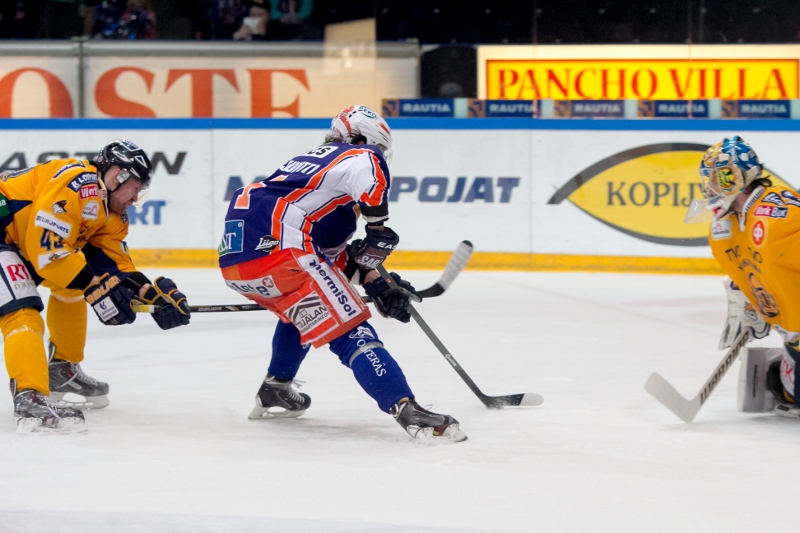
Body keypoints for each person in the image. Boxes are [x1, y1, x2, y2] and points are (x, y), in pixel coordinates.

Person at [218, 105, 466, 443]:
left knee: (303, 311)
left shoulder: (314, 177)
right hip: (281, 246)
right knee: (350, 327)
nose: (380, 156)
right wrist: (378, 228)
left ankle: (275, 387)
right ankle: (407, 408)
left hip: (238, 261)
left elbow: (334, 263)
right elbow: (371, 173)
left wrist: (381, 281)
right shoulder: (359, 153)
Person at [1, 139, 191, 433]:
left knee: (71, 287)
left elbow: (113, 264)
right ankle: (30, 396)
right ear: (118, 175)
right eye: (137, 186)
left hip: (18, 241)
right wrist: (94, 285)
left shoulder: (110, 212)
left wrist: (151, 296)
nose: (137, 196)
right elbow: (47, 252)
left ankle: (60, 371)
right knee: (23, 311)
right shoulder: (77, 182)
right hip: (8, 237)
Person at [694, 135, 800, 417]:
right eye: (709, 181)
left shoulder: (780, 214)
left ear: (738, 178)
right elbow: (754, 270)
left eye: (719, 179)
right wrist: (749, 300)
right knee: (793, 393)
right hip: (794, 333)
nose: (712, 189)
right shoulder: (723, 231)